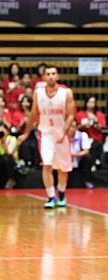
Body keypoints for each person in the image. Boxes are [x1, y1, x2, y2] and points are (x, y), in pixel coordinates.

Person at [18, 65, 75, 208]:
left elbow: (71, 115)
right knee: (47, 164)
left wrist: (63, 132)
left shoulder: (66, 92)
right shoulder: (38, 93)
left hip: (61, 134)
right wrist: (26, 133)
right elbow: (33, 114)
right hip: (45, 134)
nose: (50, 76)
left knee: (62, 169)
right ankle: (50, 197)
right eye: (48, 74)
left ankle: (61, 193)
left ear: (58, 76)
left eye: (53, 73)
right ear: (43, 77)